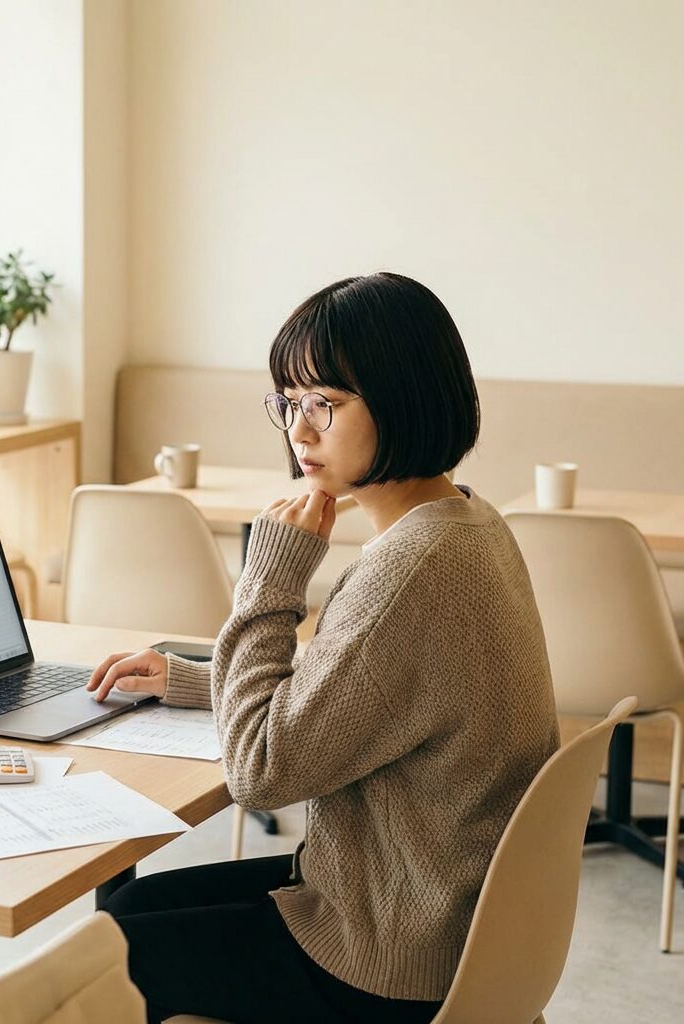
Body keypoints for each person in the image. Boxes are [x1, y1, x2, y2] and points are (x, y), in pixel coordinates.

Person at [87, 273, 560, 1024]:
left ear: (402, 397)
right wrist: (187, 680)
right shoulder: (464, 521)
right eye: (289, 403)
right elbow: (356, 693)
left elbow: (260, 772)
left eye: (326, 405)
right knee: (135, 904)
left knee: (101, 963)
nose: (298, 433)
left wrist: (270, 578)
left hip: (389, 952)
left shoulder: (406, 574)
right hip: (438, 910)